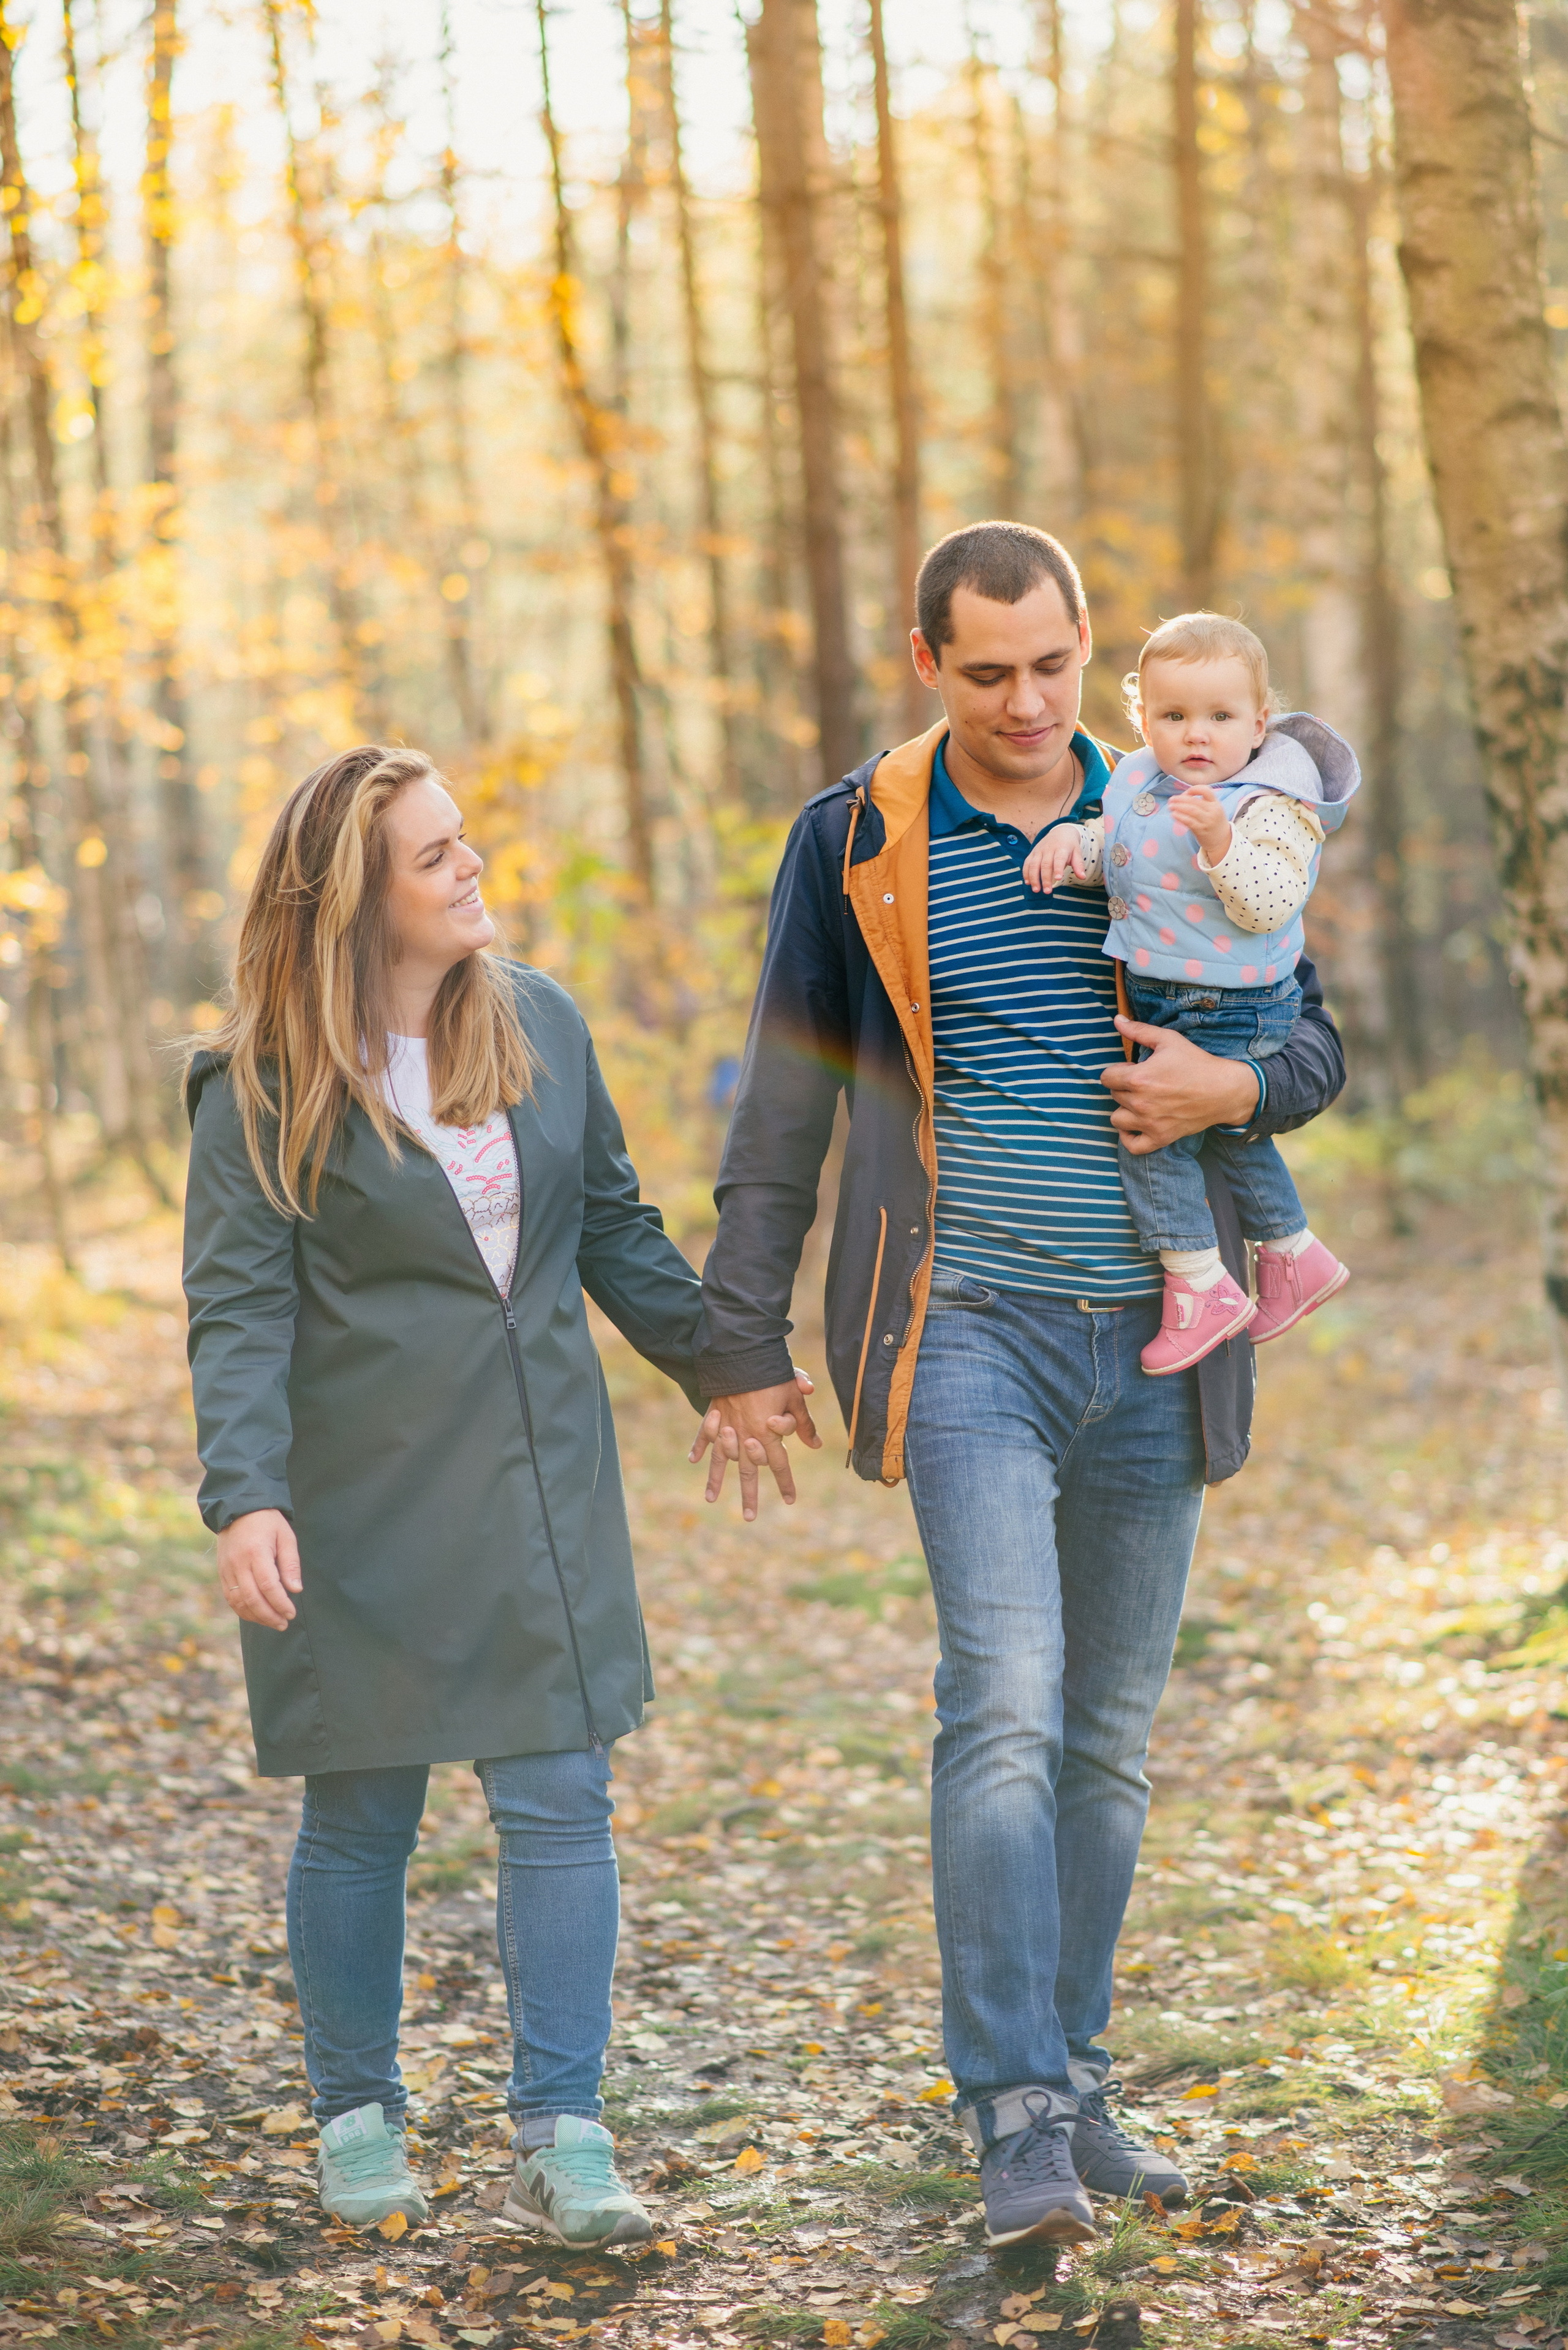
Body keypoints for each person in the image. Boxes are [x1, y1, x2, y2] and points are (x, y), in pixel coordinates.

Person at [690, 524, 1346, 2250]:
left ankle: (1078, 2074)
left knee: (1110, 1743)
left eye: (1057, 665)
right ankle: (1015, 2110)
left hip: (1161, 1335)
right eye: (990, 673)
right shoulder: (857, 840)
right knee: (1005, 1704)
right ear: (929, 662)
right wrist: (737, 1340)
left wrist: (1236, 1094)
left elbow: (1315, 1037)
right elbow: (783, 1100)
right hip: (967, 1323)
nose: (1032, 702)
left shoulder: (1180, 796)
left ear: (1087, 650)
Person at [183, 744, 709, 2248]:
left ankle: (565, 2136)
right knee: (360, 1813)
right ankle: (357, 2122)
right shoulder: (262, 1084)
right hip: (353, 1504)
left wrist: (726, 1367)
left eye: (461, 841)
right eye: (434, 856)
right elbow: (238, 1311)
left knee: (560, 1800)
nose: (470, 867)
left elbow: (613, 1226)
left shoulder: (537, 1017)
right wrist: (247, 1495)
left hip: (541, 1485)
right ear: (356, 902)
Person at [1023, 611, 1357, 1375]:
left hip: (1235, 1002)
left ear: (1258, 721)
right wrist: (1073, 844)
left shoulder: (1267, 799)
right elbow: (1123, 852)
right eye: (1173, 716)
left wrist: (1221, 843)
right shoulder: (1141, 778)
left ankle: (1200, 1283)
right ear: (1141, 715)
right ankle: (1292, 1253)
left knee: (1154, 1129)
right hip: (1173, 995)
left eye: (1219, 716)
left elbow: (1270, 900)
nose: (1196, 735)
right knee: (1232, 1132)